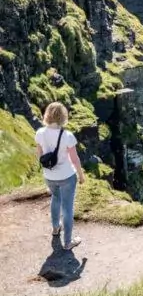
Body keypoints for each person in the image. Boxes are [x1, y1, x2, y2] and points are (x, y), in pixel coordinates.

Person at [35, 102, 86, 250]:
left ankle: (56, 228)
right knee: (68, 208)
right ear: (63, 116)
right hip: (67, 176)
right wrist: (81, 176)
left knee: (55, 199)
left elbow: (40, 155)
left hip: (49, 176)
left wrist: (47, 170)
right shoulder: (67, 135)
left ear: (47, 115)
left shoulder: (39, 133)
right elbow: (75, 159)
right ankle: (68, 242)